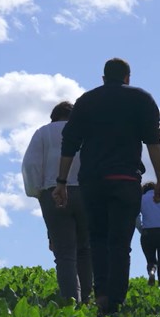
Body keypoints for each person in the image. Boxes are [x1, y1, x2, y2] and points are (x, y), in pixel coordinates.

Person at [55, 58, 160, 316]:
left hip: (92, 180)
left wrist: (61, 182)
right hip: (126, 180)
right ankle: (115, 300)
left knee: (98, 239)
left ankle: (102, 294)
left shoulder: (86, 101)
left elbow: (69, 142)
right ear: (128, 77)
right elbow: (153, 141)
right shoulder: (142, 99)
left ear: (103, 78)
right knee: (120, 243)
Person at [22, 101, 93, 304]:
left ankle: (70, 301)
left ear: (54, 116)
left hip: (53, 192)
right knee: (85, 249)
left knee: (64, 253)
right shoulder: (87, 132)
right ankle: (86, 299)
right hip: (86, 192)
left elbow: (31, 165)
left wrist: (38, 192)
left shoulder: (43, 133)